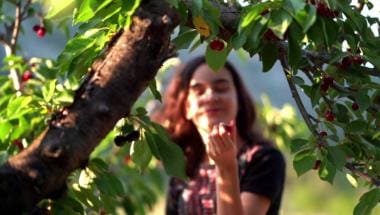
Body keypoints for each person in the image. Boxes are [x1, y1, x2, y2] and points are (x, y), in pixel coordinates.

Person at [153, 56, 286, 215]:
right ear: (187, 107)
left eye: (221, 89)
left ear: (239, 100)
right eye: (199, 91)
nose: (210, 97)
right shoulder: (184, 167)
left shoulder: (263, 159)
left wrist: (226, 167)